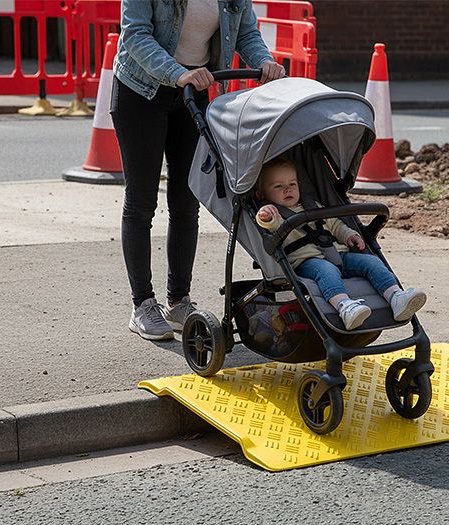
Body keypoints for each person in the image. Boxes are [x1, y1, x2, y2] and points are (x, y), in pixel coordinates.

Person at [111, 0, 285, 341]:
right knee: (142, 201)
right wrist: (177, 72)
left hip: (194, 91)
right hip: (142, 90)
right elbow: (135, 35)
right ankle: (143, 305)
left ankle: (178, 301)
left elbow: (246, 31)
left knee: (187, 199)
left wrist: (263, 61)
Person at [255, 157, 427, 331]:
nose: (288, 189)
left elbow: (335, 224)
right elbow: (268, 224)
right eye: (278, 186)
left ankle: (396, 297)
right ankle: (345, 307)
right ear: (262, 194)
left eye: (292, 184)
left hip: (338, 254)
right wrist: (265, 215)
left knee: (371, 261)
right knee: (326, 270)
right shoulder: (274, 214)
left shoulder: (312, 204)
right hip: (307, 261)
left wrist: (349, 235)